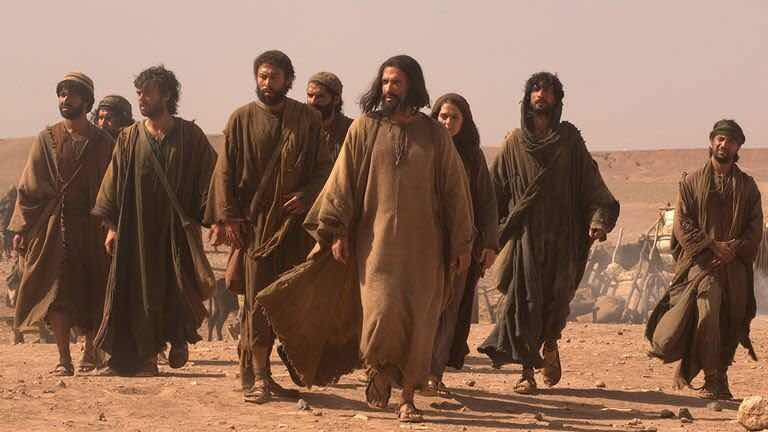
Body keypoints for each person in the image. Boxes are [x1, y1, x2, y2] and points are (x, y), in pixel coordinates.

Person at [255, 55, 474, 423]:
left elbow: (455, 192)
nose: (389, 88)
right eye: (385, 82)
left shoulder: (435, 135)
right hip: (376, 248)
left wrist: (461, 244)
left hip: (425, 249)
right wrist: (336, 230)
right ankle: (378, 369)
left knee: (420, 322)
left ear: (412, 86)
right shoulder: (365, 128)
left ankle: (408, 397)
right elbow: (342, 182)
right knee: (380, 314)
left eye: (397, 82)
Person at [478, 72, 620, 394]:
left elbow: (591, 185)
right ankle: (527, 372)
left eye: (548, 90)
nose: (541, 95)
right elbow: (493, 192)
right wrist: (487, 234)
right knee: (523, 304)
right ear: (528, 97)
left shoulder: (569, 141)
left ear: (557, 99)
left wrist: (598, 219)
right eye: (536, 89)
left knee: (555, 304)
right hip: (525, 240)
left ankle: (551, 343)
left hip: (563, 238)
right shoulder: (514, 143)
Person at [205, 50, 331, 403]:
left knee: (291, 301)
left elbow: (325, 167)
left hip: (295, 227)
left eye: (274, 77)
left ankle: (278, 372)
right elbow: (225, 171)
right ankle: (259, 376)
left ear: (288, 80)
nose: (267, 83)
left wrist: (307, 194)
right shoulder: (241, 119)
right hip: (256, 227)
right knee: (258, 302)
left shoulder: (307, 119)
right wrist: (229, 218)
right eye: (262, 76)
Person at [92, 66, 217, 377]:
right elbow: (113, 183)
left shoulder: (190, 136)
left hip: (176, 232)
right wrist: (112, 228)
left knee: (176, 289)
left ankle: (177, 338)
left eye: (148, 93)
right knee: (137, 292)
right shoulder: (129, 138)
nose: (141, 99)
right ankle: (144, 358)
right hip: (136, 231)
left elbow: (211, 181)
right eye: (139, 93)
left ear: (167, 95)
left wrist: (216, 219)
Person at [646, 119, 762, 400]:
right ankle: (711, 377)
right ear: (712, 142)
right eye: (720, 139)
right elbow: (682, 224)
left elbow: (755, 226)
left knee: (732, 321)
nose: (724, 144)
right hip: (703, 265)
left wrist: (733, 248)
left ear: (738, 147)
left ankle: (720, 376)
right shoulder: (691, 183)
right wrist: (711, 246)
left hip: (734, 267)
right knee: (708, 314)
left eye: (730, 141)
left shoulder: (748, 186)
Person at [9, 72, 114, 375]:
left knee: (95, 288)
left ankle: (91, 350)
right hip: (57, 228)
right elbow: (29, 186)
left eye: (72, 94)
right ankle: (63, 358)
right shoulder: (47, 139)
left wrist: (112, 225)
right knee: (58, 291)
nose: (65, 99)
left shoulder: (104, 142)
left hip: (94, 228)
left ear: (86, 100)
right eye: (62, 94)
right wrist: (22, 228)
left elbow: (114, 187)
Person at [425, 93, 498, 396]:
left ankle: (434, 373)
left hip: (461, 246)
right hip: (423, 244)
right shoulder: (422, 148)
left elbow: (486, 202)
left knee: (449, 310)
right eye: (443, 116)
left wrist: (489, 244)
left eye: (454, 117)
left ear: (464, 122)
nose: (448, 122)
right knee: (422, 308)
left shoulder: (472, 156)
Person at [306, 72, 353, 161]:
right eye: (310, 95)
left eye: (320, 97)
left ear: (336, 99)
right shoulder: (300, 127)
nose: (313, 101)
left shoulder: (351, 130)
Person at [0, 185, 17, 259]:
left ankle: (9, 252)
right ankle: (6, 252)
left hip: (11, 224)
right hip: (5, 224)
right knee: (6, 239)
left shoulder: (16, 202)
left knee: (10, 238)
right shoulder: (5, 201)